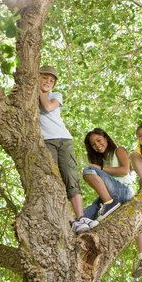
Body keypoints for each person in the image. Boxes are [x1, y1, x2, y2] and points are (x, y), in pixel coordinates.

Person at [81, 128, 142, 278]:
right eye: (93, 145)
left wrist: (99, 169)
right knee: (83, 219)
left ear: (106, 138)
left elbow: (125, 170)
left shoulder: (118, 150)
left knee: (88, 171)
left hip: (124, 191)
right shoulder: (101, 161)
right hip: (113, 196)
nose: (97, 145)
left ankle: (110, 203)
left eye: (99, 141)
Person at [38, 65, 98, 234]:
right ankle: (70, 220)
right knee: (54, 180)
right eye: (44, 78)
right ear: (36, 77)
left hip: (64, 140)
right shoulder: (27, 96)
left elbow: (49, 107)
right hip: (46, 142)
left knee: (71, 176)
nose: (48, 82)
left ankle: (81, 216)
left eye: (51, 81)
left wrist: (40, 92)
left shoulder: (55, 95)